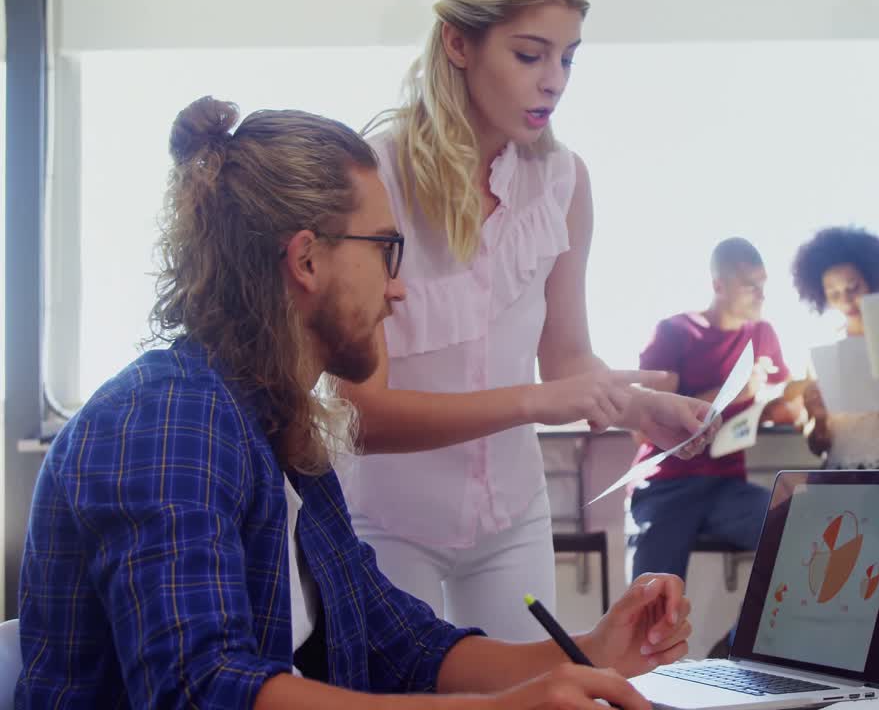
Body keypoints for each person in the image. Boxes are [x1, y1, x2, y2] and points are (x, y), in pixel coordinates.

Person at [16, 96, 691, 710]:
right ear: (307, 261)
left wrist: (592, 651)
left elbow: (399, 644)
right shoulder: (164, 423)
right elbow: (202, 690)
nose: (400, 291)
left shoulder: (282, 435)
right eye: (386, 251)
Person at [336, 0, 716, 642]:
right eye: (529, 55)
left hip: (511, 514)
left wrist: (632, 408)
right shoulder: (377, 177)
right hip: (385, 521)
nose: (555, 82)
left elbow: (566, 358)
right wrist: (536, 401)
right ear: (459, 43)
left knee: (539, 691)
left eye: (568, 58)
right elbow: (362, 416)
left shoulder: (564, 182)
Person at [627, 238, 793, 583]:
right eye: (751, 285)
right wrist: (735, 391)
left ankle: (737, 641)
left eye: (764, 285)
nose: (761, 295)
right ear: (719, 285)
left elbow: (783, 393)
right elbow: (642, 428)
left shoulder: (762, 334)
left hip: (726, 488)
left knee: (797, 533)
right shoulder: (674, 333)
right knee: (649, 602)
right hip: (665, 488)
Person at [791, 226, 879, 469]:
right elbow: (817, 446)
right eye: (833, 294)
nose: (845, 300)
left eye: (852, 288)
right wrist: (818, 419)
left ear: (872, 280)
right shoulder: (823, 352)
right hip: (837, 475)